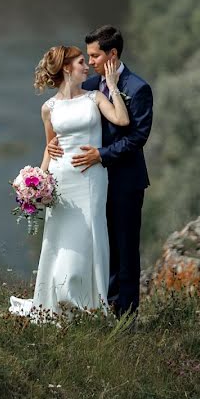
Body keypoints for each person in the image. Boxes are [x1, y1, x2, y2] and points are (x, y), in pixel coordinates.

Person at [9, 44, 129, 320]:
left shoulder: (95, 97)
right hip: (61, 183)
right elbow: (50, 146)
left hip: (91, 181)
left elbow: (122, 120)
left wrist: (112, 84)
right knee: (59, 243)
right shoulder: (48, 108)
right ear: (66, 68)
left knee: (90, 241)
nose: (86, 66)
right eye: (80, 63)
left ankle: (89, 306)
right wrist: (35, 183)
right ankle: (58, 303)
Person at [47, 25, 153, 318]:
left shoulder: (138, 88)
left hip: (124, 181)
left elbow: (137, 137)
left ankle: (125, 318)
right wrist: (57, 143)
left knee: (125, 251)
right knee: (99, 246)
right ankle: (101, 309)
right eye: (89, 57)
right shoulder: (91, 86)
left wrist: (101, 155)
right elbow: (71, 116)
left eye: (94, 56)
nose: (90, 62)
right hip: (90, 182)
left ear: (112, 54)